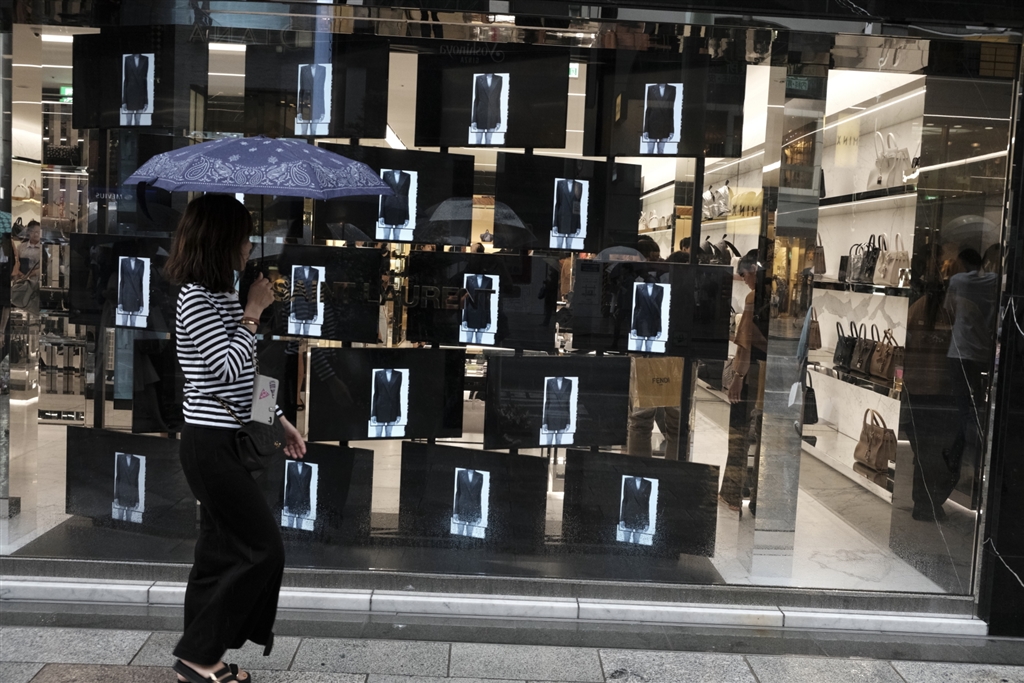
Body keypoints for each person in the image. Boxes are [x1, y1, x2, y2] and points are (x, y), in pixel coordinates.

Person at [165, 194, 306, 683]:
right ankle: (200, 655)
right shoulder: (195, 298)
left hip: (229, 438)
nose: (249, 246)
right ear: (221, 240)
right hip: (208, 443)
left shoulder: (221, 294)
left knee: (217, 552)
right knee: (263, 548)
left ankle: (197, 658)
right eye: (244, 237)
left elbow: (245, 377)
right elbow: (225, 370)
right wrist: (253, 313)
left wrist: (279, 419)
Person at [719, 251, 767, 516]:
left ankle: (732, 493)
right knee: (764, 438)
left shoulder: (753, 298)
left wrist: (738, 377)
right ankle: (760, 497)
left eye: (745, 274)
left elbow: (745, 344)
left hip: (751, 375)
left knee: (739, 435)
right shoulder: (784, 297)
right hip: (773, 376)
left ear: (754, 271)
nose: (744, 279)